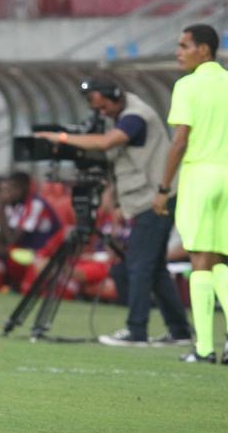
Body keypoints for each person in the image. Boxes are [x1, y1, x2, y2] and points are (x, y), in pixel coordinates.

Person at [36, 78, 192, 347]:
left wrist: (61, 138)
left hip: (155, 198)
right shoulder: (120, 114)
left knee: (139, 265)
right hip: (145, 199)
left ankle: (137, 331)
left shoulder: (135, 116)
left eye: (104, 105)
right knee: (153, 268)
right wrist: (118, 202)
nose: (102, 112)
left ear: (116, 96)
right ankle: (179, 331)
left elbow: (108, 143)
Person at [154, 23, 228, 365]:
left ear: (204, 50)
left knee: (198, 259)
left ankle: (204, 349)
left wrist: (163, 187)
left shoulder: (188, 86)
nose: (178, 52)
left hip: (200, 172)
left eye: (184, 46)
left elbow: (180, 140)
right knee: (219, 259)